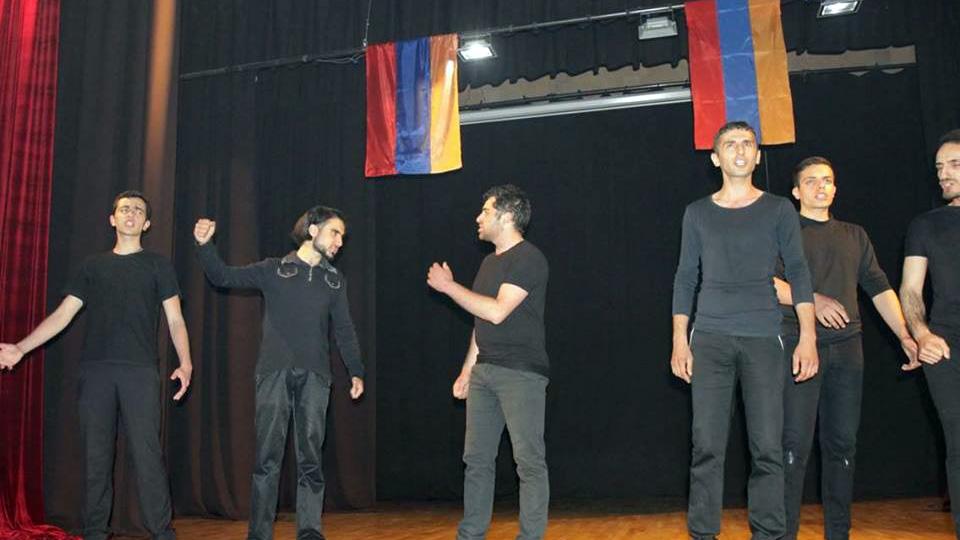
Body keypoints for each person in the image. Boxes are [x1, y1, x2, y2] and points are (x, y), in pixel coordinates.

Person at [0, 190, 192, 540]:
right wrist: (20, 349)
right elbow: (63, 315)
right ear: (112, 219)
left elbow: (176, 320)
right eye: (124, 209)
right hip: (96, 372)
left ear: (147, 223)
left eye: (138, 210)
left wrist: (186, 362)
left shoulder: (158, 265)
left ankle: (162, 533)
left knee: (147, 455)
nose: (131, 214)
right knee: (96, 457)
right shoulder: (92, 266)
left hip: (139, 371)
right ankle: (94, 533)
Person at [671, 121, 819, 540]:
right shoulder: (697, 213)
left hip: (764, 338)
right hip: (710, 338)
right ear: (715, 158)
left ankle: (768, 534)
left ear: (757, 156)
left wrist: (808, 337)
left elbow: (798, 272)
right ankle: (703, 533)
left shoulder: (778, 210)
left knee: (767, 447)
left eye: (747, 144)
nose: (739, 150)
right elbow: (685, 277)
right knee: (706, 446)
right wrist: (680, 339)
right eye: (730, 144)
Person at [193, 206, 364, 540]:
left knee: (311, 458)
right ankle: (259, 533)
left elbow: (345, 329)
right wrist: (204, 246)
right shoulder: (274, 269)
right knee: (267, 458)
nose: (340, 242)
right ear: (313, 230)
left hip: (316, 376)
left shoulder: (334, 280)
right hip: (273, 373)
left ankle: (310, 531)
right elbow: (223, 276)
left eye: (343, 236)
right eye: (335, 232)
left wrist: (355, 370)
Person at [774, 156, 918, 539]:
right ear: (796, 191)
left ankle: (839, 533)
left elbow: (879, 288)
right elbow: (766, 283)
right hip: (798, 345)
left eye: (827, 180)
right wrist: (814, 300)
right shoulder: (783, 231)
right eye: (811, 181)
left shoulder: (854, 235)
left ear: (835, 188)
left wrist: (905, 336)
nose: (821, 186)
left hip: (847, 349)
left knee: (842, 445)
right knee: (793, 445)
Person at [426, 184, 550, 540]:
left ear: (507, 216)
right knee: (476, 460)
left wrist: (449, 287)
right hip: (484, 372)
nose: (478, 218)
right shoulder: (488, 262)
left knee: (528, 461)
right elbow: (481, 321)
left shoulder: (529, 258)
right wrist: (468, 369)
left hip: (521, 372)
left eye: (485, 211)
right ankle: (470, 534)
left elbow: (497, 311)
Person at [900, 128, 960, 538]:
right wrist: (922, 334)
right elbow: (910, 290)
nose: (944, 174)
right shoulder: (925, 225)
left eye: (954, 165)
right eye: (940, 167)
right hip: (946, 346)